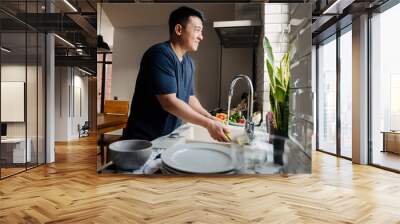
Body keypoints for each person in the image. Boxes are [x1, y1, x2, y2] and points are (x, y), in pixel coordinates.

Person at [123, 6, 229, 142]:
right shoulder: (159, 54)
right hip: (143, 140)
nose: (201, 37)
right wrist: (208, 124)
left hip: (167, 136)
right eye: (197, 30)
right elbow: (169, 102)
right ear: (179, 29)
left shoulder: (189, 62)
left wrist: (210, 117)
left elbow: (189, 97)